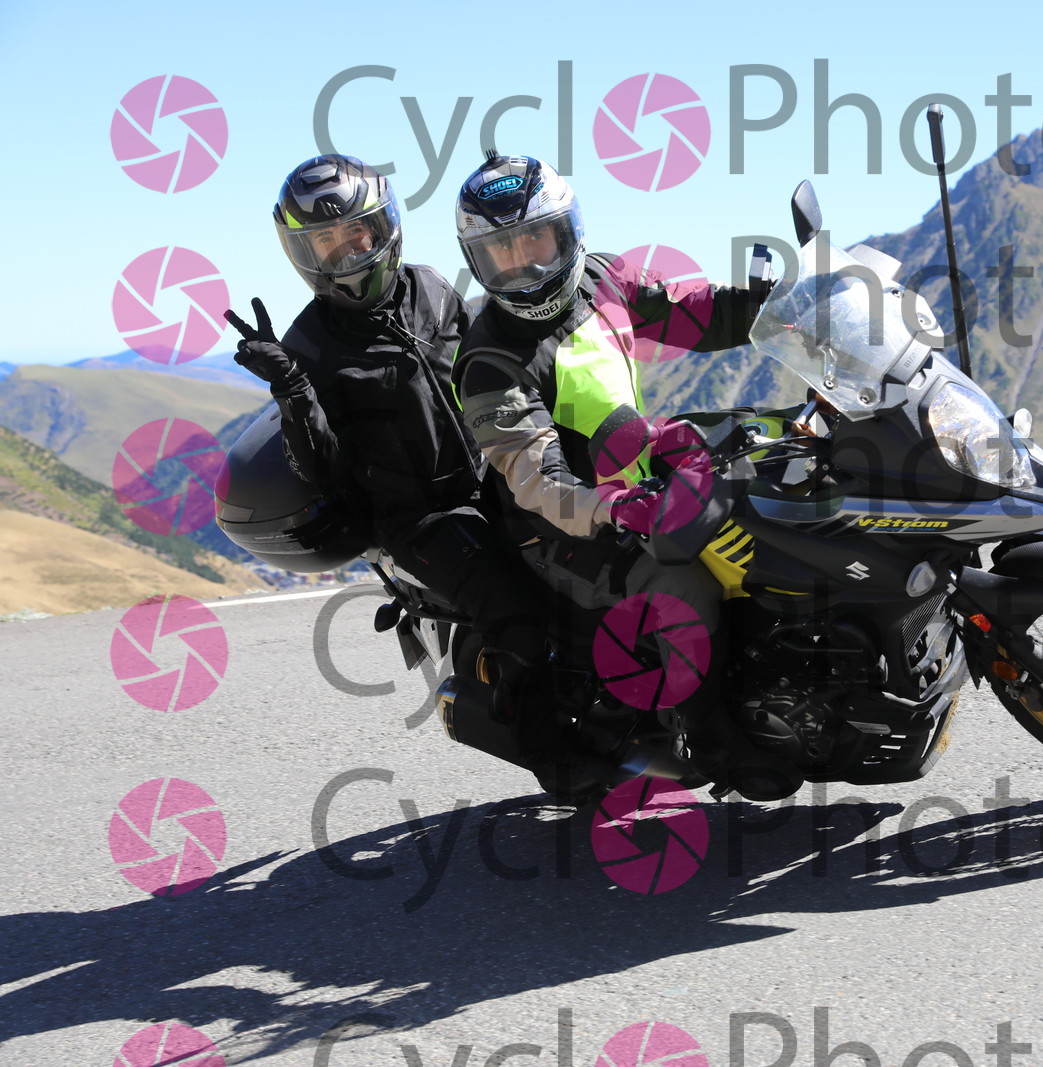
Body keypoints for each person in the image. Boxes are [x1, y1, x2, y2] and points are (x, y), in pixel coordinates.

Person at [223, 154, 578, 789]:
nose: (347, 253)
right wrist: (293, 388)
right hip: (418, 518)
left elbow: (495, 364)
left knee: (590, 564)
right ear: (302, 254)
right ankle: (559, 761)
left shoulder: (432, 288)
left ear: (383, 226)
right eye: (326, 244)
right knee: (519, 617)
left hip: (492, 474)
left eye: (356, 233)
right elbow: (322, 467)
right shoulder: (310, 346)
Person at [450, 150, 787, 796]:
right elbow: (540, 483)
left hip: (639, 482)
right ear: (478, 260)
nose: (525, 264)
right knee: (683, 585)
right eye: (502, 252)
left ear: (567, 230)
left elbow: (692, 309)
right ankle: (711, 737)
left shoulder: (603, 277)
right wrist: (612, 508)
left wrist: (765, 308)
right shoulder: (491, 362)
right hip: (562, 528)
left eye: (535, 240)